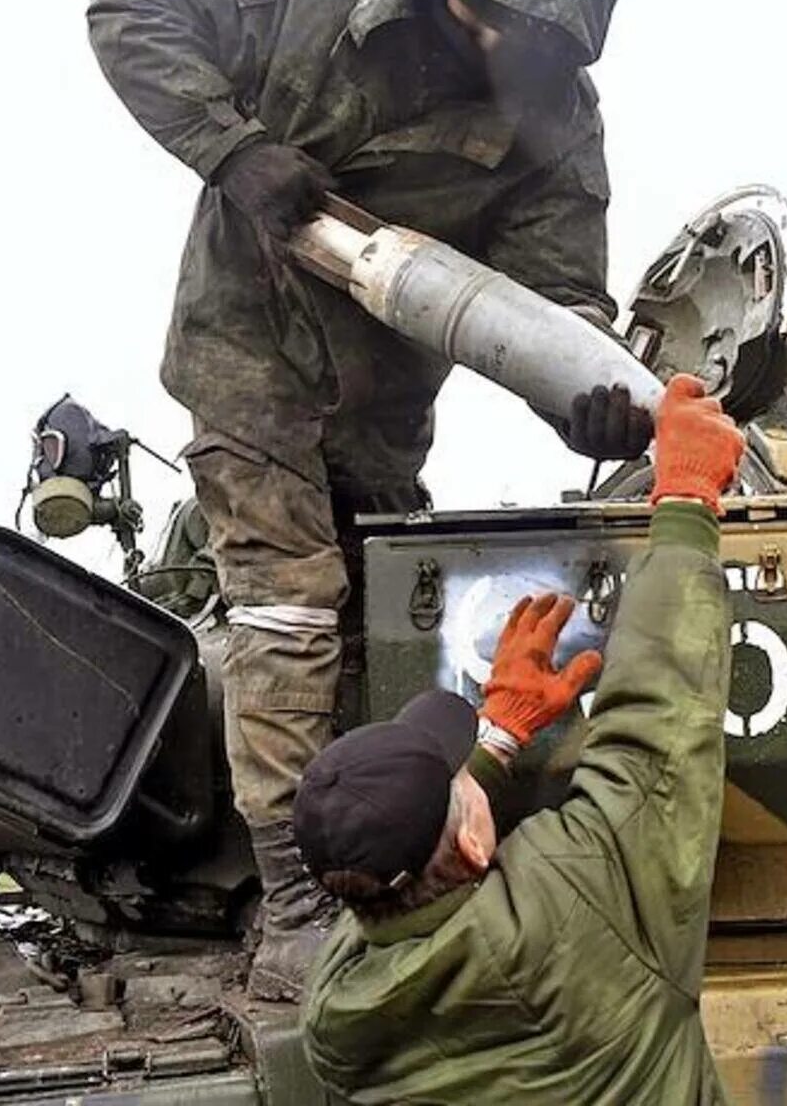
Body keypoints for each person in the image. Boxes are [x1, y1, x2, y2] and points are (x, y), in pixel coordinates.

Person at [87, 0, 651, 1000]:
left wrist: (581, 385)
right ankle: (296, 901)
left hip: (386, 391)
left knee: (371, 610)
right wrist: (234, 151)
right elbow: (129, 3)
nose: (527, 52)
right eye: (510, 24)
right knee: (286, 604)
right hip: (244, 349)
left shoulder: (554, 115)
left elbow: (556, 291)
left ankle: (387, 857)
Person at [297, 373, 743, 1104]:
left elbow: (391, 890)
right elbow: (655, 739)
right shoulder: (579, 902)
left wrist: (501, 738)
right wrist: (688, 503)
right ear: (476, 843)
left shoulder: (337, 1015)